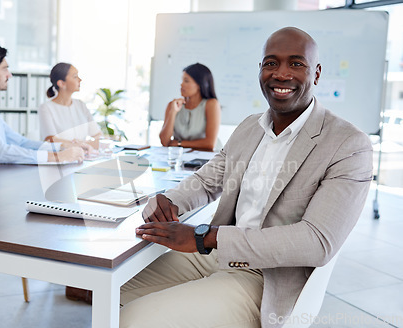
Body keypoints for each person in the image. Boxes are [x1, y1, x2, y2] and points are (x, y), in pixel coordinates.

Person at [119, 27, 373, 328]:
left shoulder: (348, 144)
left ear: (316, 74)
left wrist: (205, 236)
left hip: (269, 277)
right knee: (112, 289)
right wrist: (170, 200)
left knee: (132, 319)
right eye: (270, 63)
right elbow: (206, 181)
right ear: (261, 71)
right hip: (216, 254)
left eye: (296, 63)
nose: (280, 74)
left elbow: (316, 241)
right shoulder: (250, 127)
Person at [0, 44, 86, 168]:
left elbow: (20, 142)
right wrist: (57, 157)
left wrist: (62, 147)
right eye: (5, 69)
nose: (9, 75)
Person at [38, 62, 102, 150]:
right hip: (60, 158)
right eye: (75, 76)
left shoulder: (81, 105)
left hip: (83, 157)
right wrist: (84, 145)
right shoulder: (46, 108)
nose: (80, 80)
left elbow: (98, 135)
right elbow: (51, 140)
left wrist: (83, 144)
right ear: (61, 83)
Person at [159, 63, 221, 151]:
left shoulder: (211, 104)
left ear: (199, 84)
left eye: (186, 81)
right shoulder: (173, 105)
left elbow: (210, 143)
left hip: (206, 159)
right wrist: (173, 112)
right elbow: (165, 142)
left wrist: (178, 143)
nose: (181, 85)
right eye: (182, 80)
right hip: (181, 158)